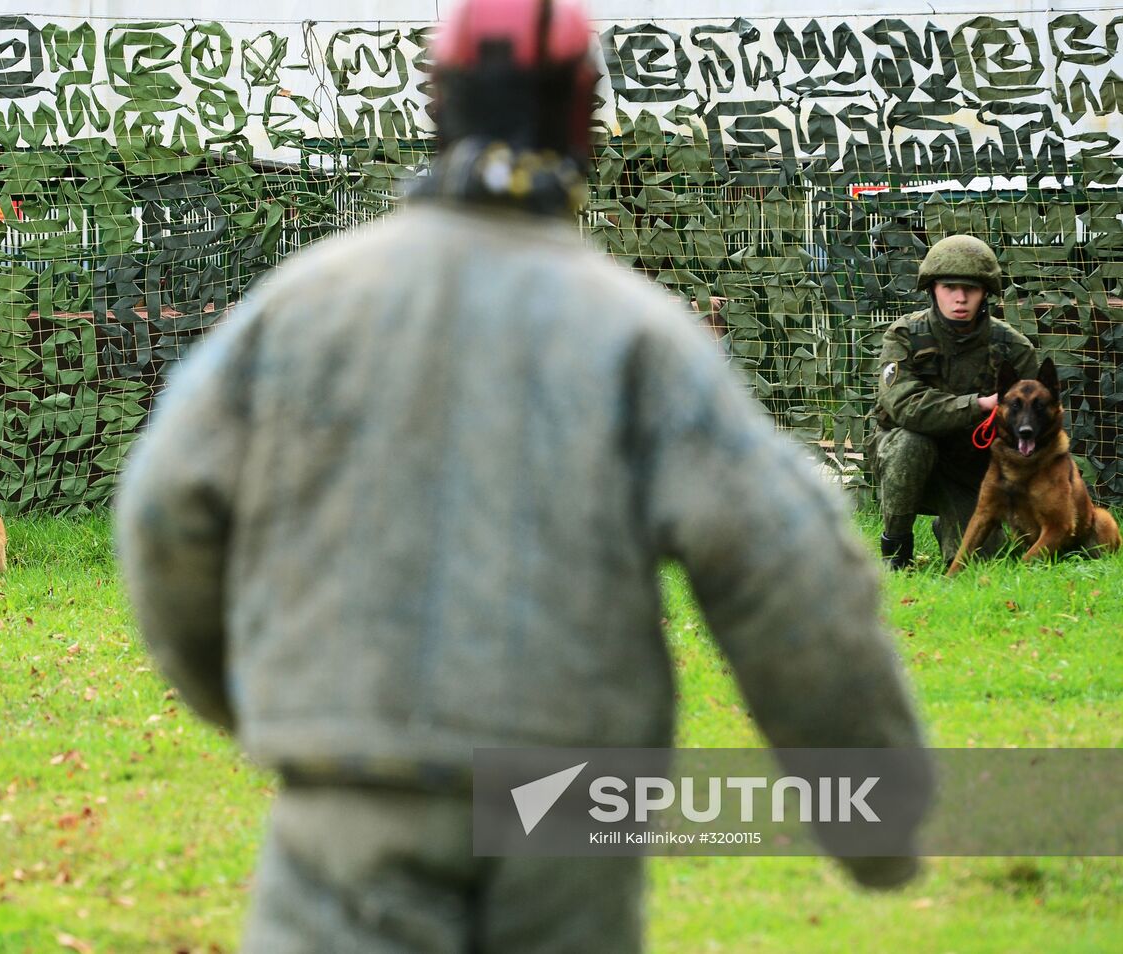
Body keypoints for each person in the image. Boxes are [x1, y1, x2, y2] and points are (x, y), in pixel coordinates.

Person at [117, 0, 930, 949]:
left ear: (439, 106)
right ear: (583, 113)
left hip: (351, 797)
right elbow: (792, 571)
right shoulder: (640, 334)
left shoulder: (300, 307)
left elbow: (164, 510)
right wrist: (873, 819)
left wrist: (245, 697)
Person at [871, 235, 1039, 569]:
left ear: (985, 294)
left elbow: (1034, 426)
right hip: (907, 461)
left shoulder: (1014, 349)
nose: (960, 298)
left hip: (971, 467)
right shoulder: (905, 335)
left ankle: (950, 523)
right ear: (932, 288)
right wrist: (980, 405)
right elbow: (906, 407)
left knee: (977, 565)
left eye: (971, 289)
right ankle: (897, 545)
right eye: (949, 286)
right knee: (911, 443)